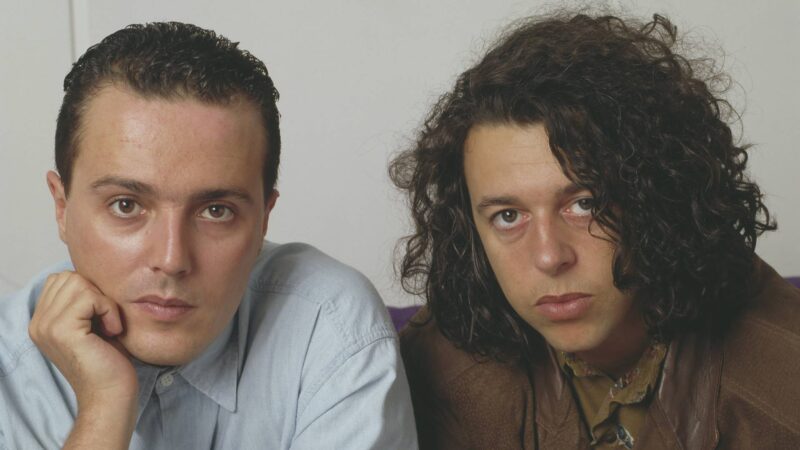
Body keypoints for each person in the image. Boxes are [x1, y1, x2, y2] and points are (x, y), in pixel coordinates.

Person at [391, 11, 800, 450]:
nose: (549, 257)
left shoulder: (780, 392)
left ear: (660, 198)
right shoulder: (438, 366)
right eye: (508, 216)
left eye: (585, 205)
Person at [0, 22, 416, 449]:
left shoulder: (328, 327)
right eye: (126, 205)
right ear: (62, 207)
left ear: (263, 221)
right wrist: (105, 407)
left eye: (216, 211)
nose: (172, 258)